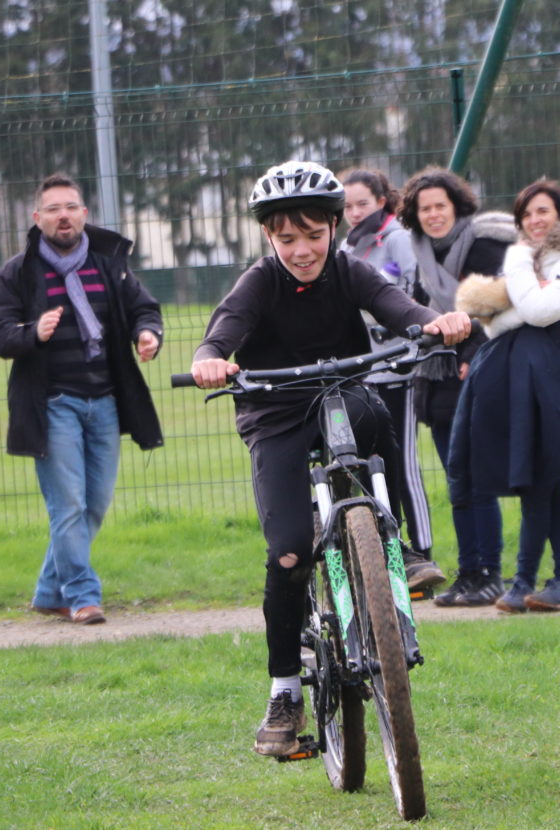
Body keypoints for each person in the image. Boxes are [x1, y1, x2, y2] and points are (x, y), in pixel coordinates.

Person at [188, 161, 471, 757]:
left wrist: (436, 322)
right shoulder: (259, 283)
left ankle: (399, 546)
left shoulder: (350, 270)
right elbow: (222, 333)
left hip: (342, 393)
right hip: (275, 411)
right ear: (268, 236)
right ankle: (285, 692)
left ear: (335, 228)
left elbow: (399, 309)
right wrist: (210, 358)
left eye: (314, 235)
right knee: (289, 552)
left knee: (377, 415)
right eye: (287, 238)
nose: (302, 250)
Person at [0, 173, 164, 627]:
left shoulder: (108, 264)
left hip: (104, 402)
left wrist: (147, 333)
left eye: (70, 207)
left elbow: (143, 307)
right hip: (52, 405)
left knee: (94, 506)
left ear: (84, 214)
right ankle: (82, 596)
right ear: (37, 217)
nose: (63, 216)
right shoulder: (17, 272)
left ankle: (50, 592)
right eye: (53, 209)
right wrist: (32, 332)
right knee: (68, 507)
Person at [449, 178, 560, 613]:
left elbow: (539, 311)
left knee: (539, 489)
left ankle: (523, 584)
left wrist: (517, 264)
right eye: (526, 214)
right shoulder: (538, 264)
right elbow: (496, 325)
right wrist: (520, 295)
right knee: (549, 491)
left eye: (543, 211)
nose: (534, 220)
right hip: (534, 391)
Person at [398, 166, 516, 608]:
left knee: (478, 476)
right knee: (457, 479)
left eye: (440, 206)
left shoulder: (482, 244)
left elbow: (494, 308)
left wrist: (470, 353)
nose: (433, 215)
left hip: (477, 370)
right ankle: (468, 573)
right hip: (435, 378)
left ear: (456, 206)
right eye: (424, 208)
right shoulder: (420, 252)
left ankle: (490, 573)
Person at [339, 168, 443, 587]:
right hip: (363, 373)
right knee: (368, 467)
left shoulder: (397, 238)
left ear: (382, 201)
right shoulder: (346, 245)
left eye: (362, 203)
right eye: (347, 206)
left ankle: (424, 555)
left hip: (399, 370)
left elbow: (414, 295)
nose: (354, 212)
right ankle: (385, 557)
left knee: (403, 466)